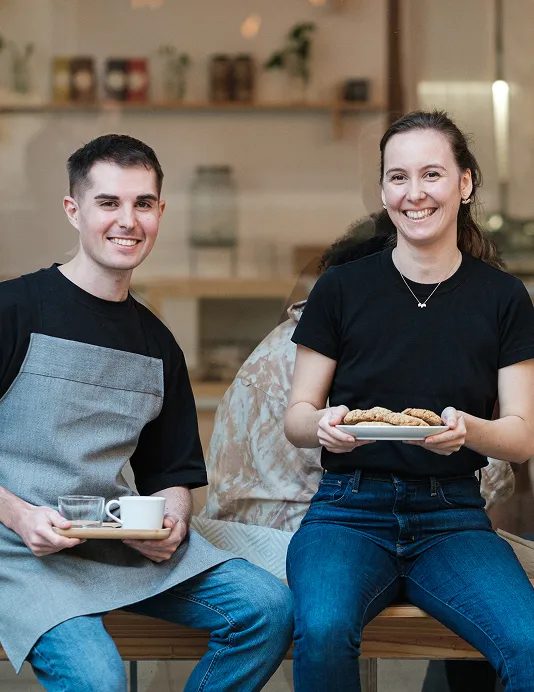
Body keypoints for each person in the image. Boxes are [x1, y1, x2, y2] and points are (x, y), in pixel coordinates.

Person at [0, 134, 293, 692]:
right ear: (74, 210)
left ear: (160, 212)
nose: (126, 220)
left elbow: (173, 475)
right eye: (108, 203)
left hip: (116, 546)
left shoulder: (158, 343)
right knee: (101, 679)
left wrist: (172, 520)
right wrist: (19, 516)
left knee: (267, 608)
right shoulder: (13, 310)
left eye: (142, 204)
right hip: (17, 552)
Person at [284, 110, 534, 692]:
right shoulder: (341, 288)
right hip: (347, 512)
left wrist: (468, 430)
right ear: (382, 190)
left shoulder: (502, 297)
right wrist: (323, 425)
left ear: (464, 184)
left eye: (431, 175)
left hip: (452, 517)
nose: (413, 193)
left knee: (528, 643)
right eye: (397, 177)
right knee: (321, 630)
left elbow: (522, 435)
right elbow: (296, 417)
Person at [201, 221, 514, 540]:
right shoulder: (361, 347)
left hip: (234, 533)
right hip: (302, 536)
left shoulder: (297, 334)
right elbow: (481, 487)